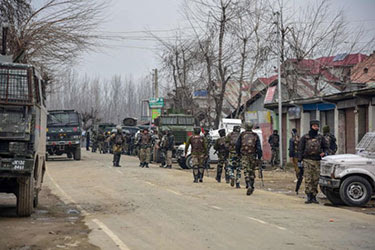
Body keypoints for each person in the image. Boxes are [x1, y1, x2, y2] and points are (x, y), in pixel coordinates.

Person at [298, 120, 328, 204]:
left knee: (315, 179)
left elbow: (326, 147)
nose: (316, 128)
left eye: (317, 126)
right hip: (307, 160)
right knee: (308, 179)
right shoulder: (305, 137)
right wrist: (299, 161)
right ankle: (309, 196)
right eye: (314, 126)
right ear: (311, 126)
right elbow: (300, 149)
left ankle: (314, 196)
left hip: (317, 161)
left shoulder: (320, 138)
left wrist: (324, 153)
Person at [236, 122, 262, 195]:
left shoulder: (242, 135)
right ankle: (252, 185)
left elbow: (237, 145)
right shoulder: (255, 135)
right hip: (253, 155)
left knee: (246, 170)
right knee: (252, 171)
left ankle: (248, 185)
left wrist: (238, 154)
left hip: (244, 155)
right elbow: (259, 148)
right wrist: (259, 157)